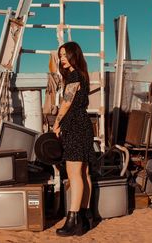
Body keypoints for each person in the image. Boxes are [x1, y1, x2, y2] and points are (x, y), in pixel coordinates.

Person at [53, 41, 95, 237]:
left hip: (75, 126)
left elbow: (66, 103)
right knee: (84, 173)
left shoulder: (74, 75)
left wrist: (56, 123)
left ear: (73, 55)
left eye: (64, 55)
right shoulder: (83, 75)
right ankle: (86, 219)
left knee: (74, 173)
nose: (61, 58)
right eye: (60, 55)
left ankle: (73, 220)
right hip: (84, 125)